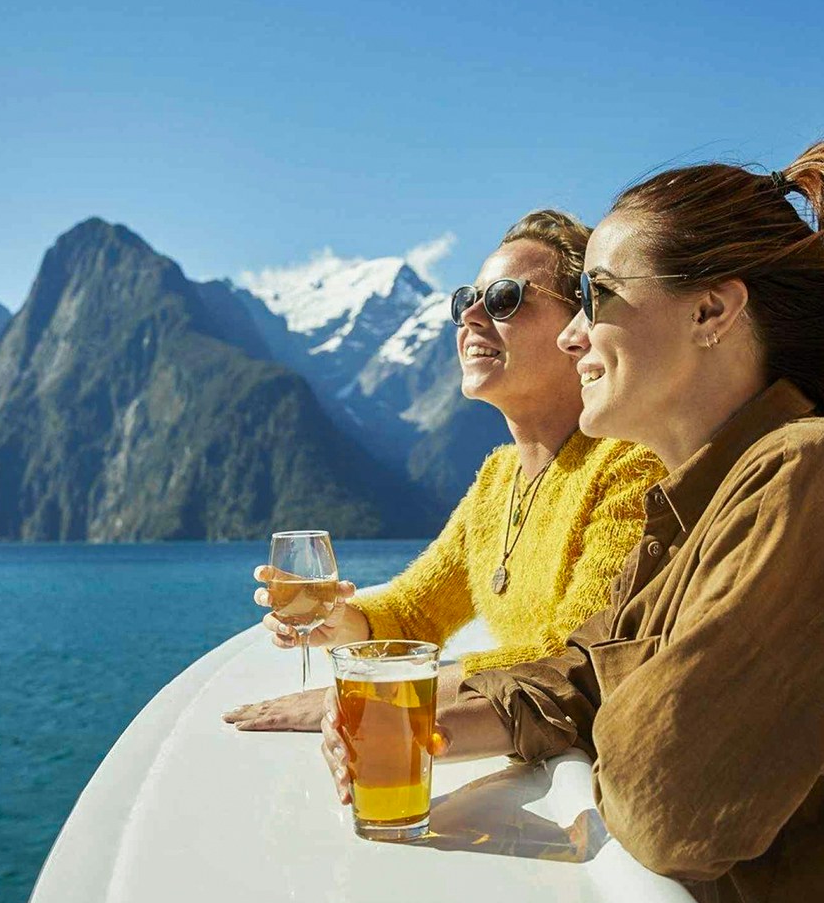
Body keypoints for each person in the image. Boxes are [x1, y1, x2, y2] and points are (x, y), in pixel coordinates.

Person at [320, 140, 824, 903]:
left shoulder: (809, 476)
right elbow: (578, 674)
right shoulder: (692, 507)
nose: (575, 335)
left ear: (711, 312)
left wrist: (607, 703)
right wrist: (414, 724)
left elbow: (665, 804)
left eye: (597, 296)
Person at [225, 210, 666, 731]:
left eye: (504, 298)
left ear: (579, 327)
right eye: (465, 301)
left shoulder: (630, 465)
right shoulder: (498, 481)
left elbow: (569, 657)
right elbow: (417, 612)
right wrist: (342, 621)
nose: (472, 316)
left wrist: (363, 693)